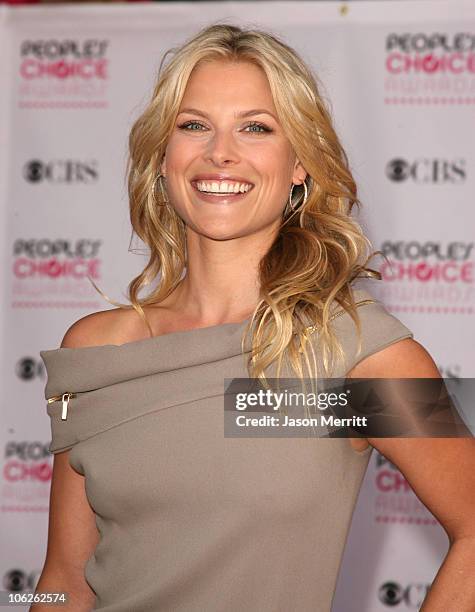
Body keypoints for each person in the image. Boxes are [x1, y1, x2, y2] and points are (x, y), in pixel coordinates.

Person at [32, 23, 474, 612]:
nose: (220, 152)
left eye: (256, 127)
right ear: (162, 159)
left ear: (300, 165)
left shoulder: (358, 352)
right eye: (193, 126)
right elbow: (64, 578)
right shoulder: (93, 350)